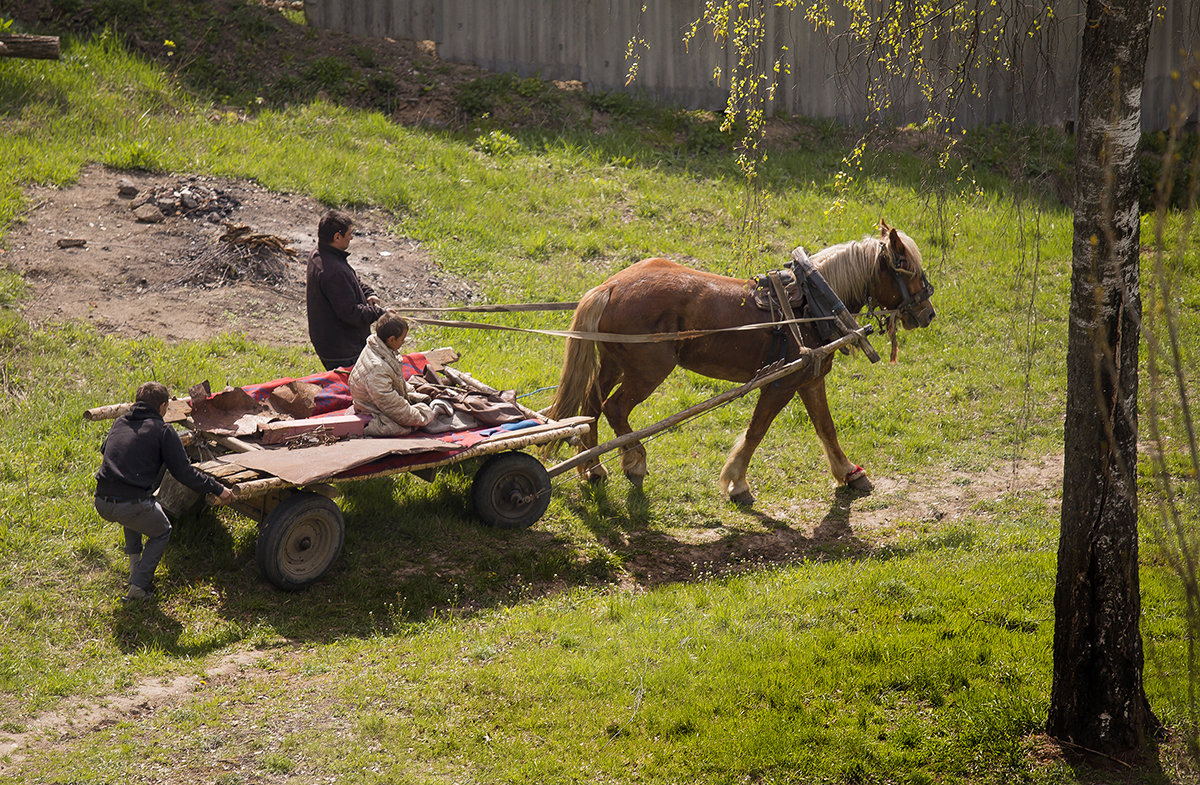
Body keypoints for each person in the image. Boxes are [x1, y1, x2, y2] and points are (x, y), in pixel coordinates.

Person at [94, 381, 236, 600]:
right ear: (162, 407)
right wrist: (218, 488)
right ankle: (139, 587)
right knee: (161, 530)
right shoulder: (163, 430)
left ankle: (135, 570)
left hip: (102, 500)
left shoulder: (120, 422)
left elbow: (107, 451)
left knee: (133, 514)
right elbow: (185, 473)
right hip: (129, 504)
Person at [306, 209, 385, 370]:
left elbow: (352, 282)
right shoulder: (333, 271)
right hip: (343, 350)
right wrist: (380, 313)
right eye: (349, 233)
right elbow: (351, 313)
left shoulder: (320, 255)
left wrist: (369, 293)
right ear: (337, 237)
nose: (351, 237)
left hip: (332, 343)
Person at [348, 313, 447, 436]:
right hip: (371, 409)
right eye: (401, 340)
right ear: (391, 339)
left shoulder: (377, 345)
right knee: (400, 425)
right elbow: (391, 405)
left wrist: (410, 390)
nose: (403, 343)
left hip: (375, 398)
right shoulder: (377, 368)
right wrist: (422, 416)